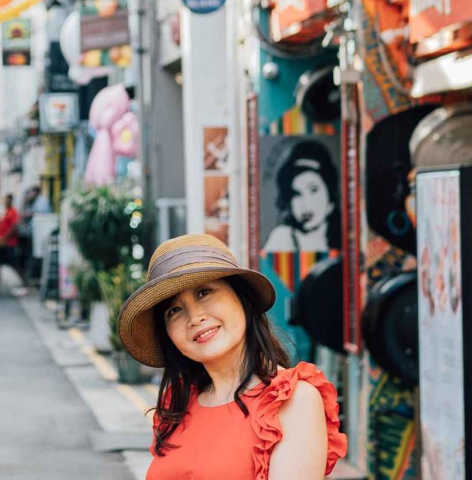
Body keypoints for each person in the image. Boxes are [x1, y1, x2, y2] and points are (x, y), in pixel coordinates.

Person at [117, 234, 347, 480]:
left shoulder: (293, 399)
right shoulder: (178, 406)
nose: (194, 317)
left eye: (204, 292)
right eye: (174, 310)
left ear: (242, 298)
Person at [263, 141, 340, 255]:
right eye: (296, 194)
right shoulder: (282, 238)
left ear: (329, 193)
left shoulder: (343, 234)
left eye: (313, 190)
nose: (305, 203)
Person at [0, 194, 20, 294]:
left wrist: (5, 238)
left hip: (9, 243)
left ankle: (23, 283)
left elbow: (14, 226)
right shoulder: (5, 212)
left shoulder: (13, 212)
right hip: (1, 242)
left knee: (13, 263)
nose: (6, 202)